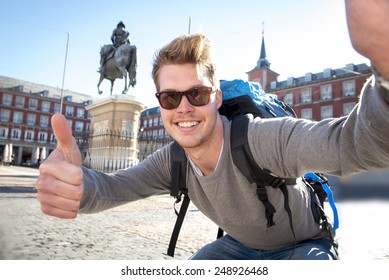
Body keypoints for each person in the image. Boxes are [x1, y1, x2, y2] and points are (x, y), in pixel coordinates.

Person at [36, 0, 389, 260]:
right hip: (237, 249)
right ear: (160, 103)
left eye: (198, 93)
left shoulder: (264, 140)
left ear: (216, 97)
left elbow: (354, 145)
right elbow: (113, 187)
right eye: (171, 97)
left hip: (302, 248)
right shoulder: (172, 160)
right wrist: (79, 187)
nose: (185, 107)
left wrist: (385, 77)